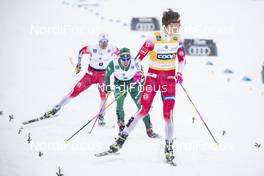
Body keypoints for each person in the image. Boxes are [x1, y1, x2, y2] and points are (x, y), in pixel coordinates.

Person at [107, 9, 186, 163]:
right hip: (152, 79)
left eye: (179, 22)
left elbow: (182, 60)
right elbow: (137, 59)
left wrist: (180, 73)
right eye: (177, 22)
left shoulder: (179, 39)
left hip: (169, 81)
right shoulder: (154, 38)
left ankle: (168, 146)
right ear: (168, 24)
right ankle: (121, 139)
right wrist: (137, 73)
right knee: (143, 110)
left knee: (167, 115)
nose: (179, 24)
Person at [43, 33, 119, 126]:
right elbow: (81, 51)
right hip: (89, 75)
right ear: (98, 42)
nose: (104, 44)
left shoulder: (112, 48)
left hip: (103, 76)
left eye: (106, 42)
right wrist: (79, 63)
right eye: (101, 42)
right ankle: (56, 108)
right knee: (74, 91)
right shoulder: (92, 48)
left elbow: (121, 55)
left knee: (104, 96)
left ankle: (101, 116)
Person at [104, 47, 159, 138]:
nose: (126, 61)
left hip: (133, 84)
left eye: (128, 58)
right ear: (119, 58)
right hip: (119, 84)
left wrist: (140, 83)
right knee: (119, 102)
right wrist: (107, 87)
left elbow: (142, 77)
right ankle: (121, 126)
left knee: (141, 105)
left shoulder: (136, 63)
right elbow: (107, 75)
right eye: (123, 59)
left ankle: (149, 129)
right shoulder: (113, 63)